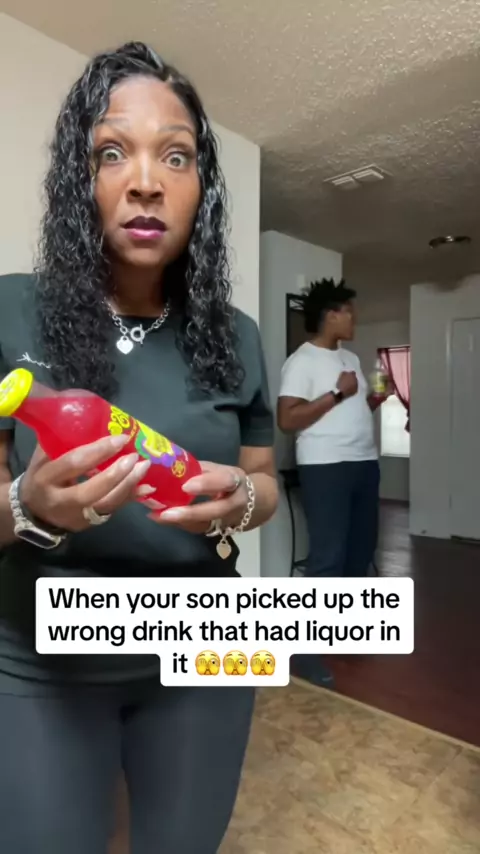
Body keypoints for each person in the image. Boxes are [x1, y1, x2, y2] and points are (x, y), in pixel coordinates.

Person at [0, 42, 277, 854]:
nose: (147, 180)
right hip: (40, 659)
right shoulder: (10, 310)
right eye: (112, 152)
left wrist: (241, 499)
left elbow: (263, 478)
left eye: (176, 156)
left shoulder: (237, 335)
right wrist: (27, 504)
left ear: (202, 190)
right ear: (77, 180)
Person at [277, 279, 388, 686]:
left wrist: (372, 399)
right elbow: (287, 419)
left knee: (360, 553)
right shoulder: (301, 361)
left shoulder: (351, 358)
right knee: (327, 560)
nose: (354, 318)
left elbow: (350, 409)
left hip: (364, 464)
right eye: (348, 312)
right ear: (330, 315)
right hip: (326, 468)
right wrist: (337, 395)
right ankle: (303, 652)